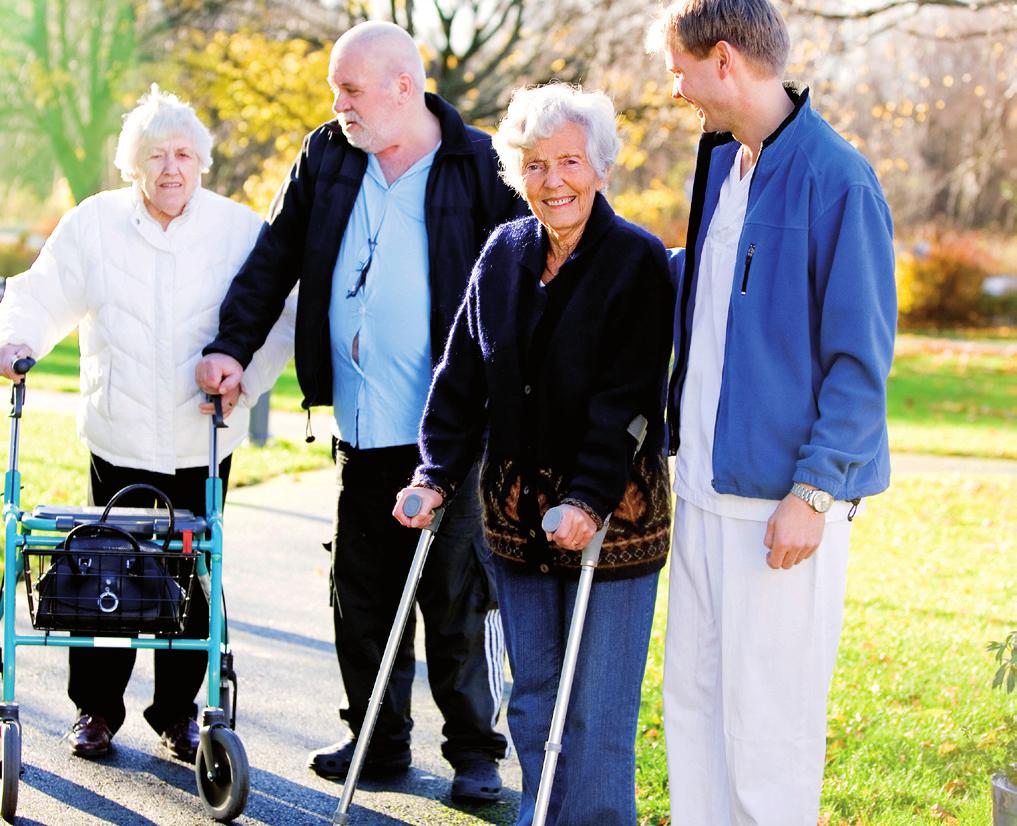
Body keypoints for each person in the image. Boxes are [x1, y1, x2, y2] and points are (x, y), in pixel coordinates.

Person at [194, 21, 520, 801]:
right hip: (360, 426)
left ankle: (474, 754)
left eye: (350, 89)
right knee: (360, 589)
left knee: (451, 593)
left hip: (448, 433)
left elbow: (523, 272)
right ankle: (375, 741)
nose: (337, 103)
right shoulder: (329, 154)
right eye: (334, 89)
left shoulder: (476, 164)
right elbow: (275, 254)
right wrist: (231, 346)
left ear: (403, 88)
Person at [392, 83, 675, 825]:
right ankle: (539, 815)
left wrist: (586, 500)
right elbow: (459, 380)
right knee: (535, 694)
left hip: (611, 517)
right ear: (518, 175)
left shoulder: (636, 261)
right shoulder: (504, 253)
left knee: (597, 711)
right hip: (514, 519)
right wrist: (433, 473)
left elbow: (626, 402)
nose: (554, 183)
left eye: (569, 163)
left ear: (601, 169)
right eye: (536, 166)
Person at [648, 1, 897, 823]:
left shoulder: (838, 179)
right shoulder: (723, 162)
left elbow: (859, 364)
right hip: (701, 492)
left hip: (779, 510)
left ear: (723, 60)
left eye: (680, 69)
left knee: (768, 725)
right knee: (692, 704)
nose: (674, 87)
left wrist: (814, 493)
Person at [0, 86, 294, 762]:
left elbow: (279, 314)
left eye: (184, 154)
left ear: (203, 162)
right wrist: (16, 344)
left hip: (202, 435)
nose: (171, 168)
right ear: (133, 166)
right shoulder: (94, 223)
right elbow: (42, 293)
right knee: (109, 573)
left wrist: (243, 380)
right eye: (155, 156)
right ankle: (95, 711)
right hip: (121, 432)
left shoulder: (237, 229)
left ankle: (178, 713)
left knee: (190, 576)